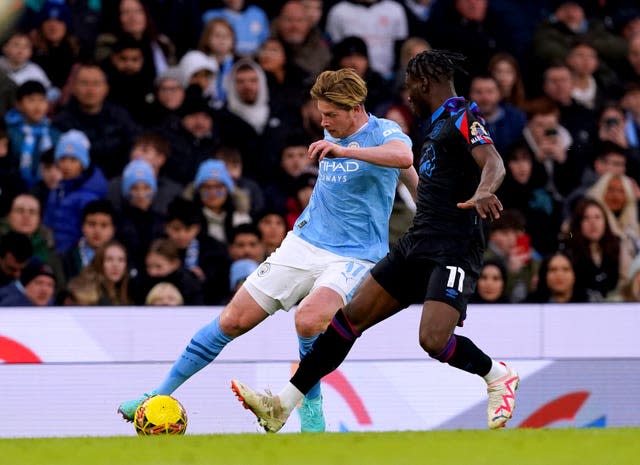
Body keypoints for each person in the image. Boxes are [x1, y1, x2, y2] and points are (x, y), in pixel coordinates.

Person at [230, 50, 519, 433]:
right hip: (417, 241)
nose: (407, 96)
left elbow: (493, 161)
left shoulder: (463, 116)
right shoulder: (434, 126)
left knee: (433, 340)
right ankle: (281, 405)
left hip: (454, 247)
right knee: (348, 321)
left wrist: (484, 191)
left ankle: (497, 375)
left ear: (424, 84)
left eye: (410, 88)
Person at [117, 67, 417, 433]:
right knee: (231, 320)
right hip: (304, 243)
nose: (323, 121)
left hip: (355, 255)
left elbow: (403, 159)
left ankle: (311, 405)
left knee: (308, 319)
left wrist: (343, 150)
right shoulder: (333, 129)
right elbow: (405, 174)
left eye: (330, 115)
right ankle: (153, 396)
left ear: (355, 107)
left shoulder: (384, 131)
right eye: (321, 113)